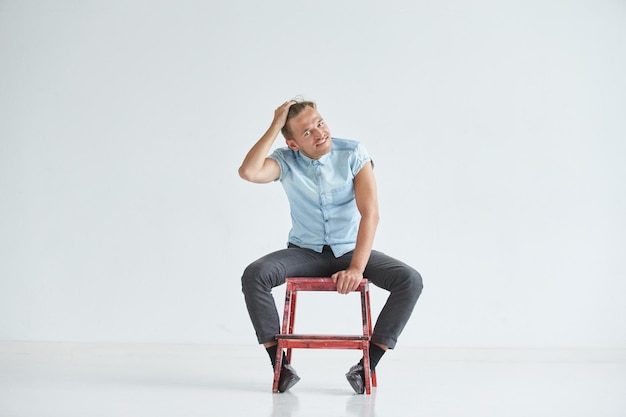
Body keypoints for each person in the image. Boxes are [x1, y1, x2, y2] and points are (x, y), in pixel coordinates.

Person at [239, 99, 423, 394]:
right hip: (304, 253)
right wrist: (275, 124)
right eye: (307, 132)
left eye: (320, 123)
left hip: (352, 251)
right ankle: (280, 366)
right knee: (255, 274)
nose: (320, 133)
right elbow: (248, 172)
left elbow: (371, 213)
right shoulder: (285, 160)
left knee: (410, 280)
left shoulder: (353, 152)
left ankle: (366, 367)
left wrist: (356, 268)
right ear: (293, 143)